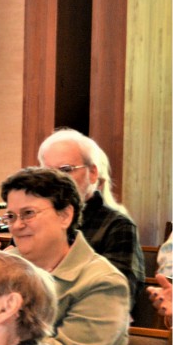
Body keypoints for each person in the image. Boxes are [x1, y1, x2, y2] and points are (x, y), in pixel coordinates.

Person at [1, 167, 128, 345]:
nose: (17, 226)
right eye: (11, 217)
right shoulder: (6, 263)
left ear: (65, 216)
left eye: (28, 214)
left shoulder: (103, 283)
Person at [38, 128, 145, 307]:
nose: (57, 180)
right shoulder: (36, 221)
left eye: (66, 170)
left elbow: (118, 294)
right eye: (49, 172)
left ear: (93, 173)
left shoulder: (116, 226)